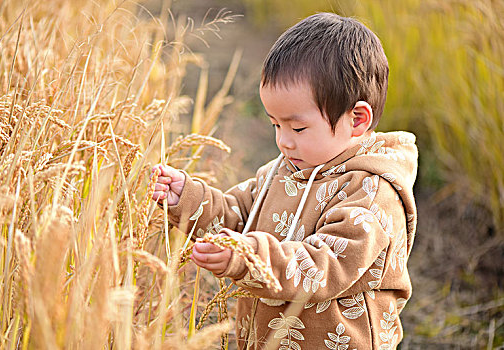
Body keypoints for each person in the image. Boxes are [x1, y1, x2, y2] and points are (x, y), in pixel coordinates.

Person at [153, 12, 417, 349]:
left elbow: (323, 266)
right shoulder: (286, 168)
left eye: (298, 127)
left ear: (356, 119)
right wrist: (187, 198)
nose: (283, 141)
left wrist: (248, 257)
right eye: (276, 125)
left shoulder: (371, 193)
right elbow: (239, 212)